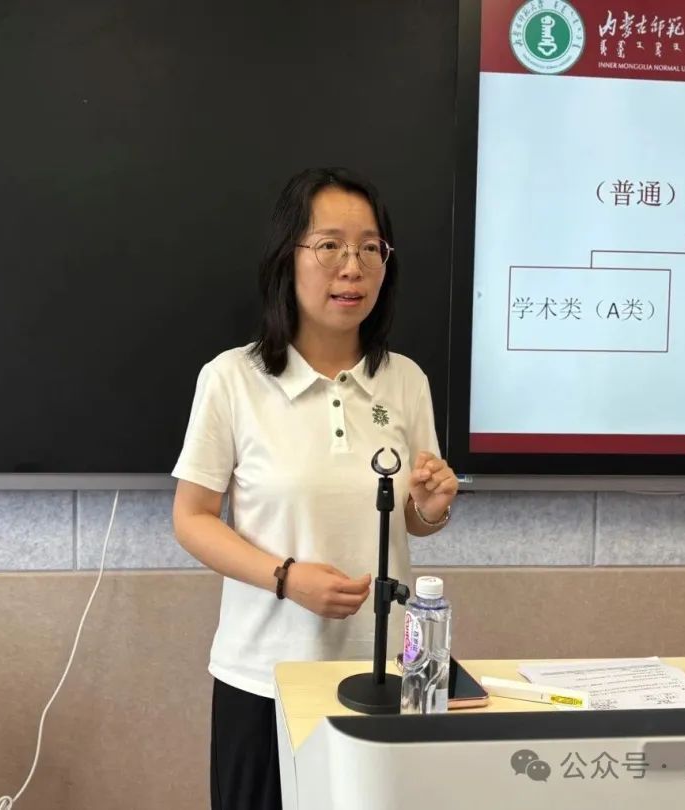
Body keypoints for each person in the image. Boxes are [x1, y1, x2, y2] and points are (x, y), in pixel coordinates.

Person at [171, 167, 458, 810]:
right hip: (263, 675)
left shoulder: (405, 380)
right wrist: (286, 578)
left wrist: (431, 509)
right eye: (330, 245)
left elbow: (413, 517)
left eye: (370, 248)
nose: (352, 267)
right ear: (288, 257)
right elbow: (192, 518)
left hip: (385, 673)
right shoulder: (232, 379)